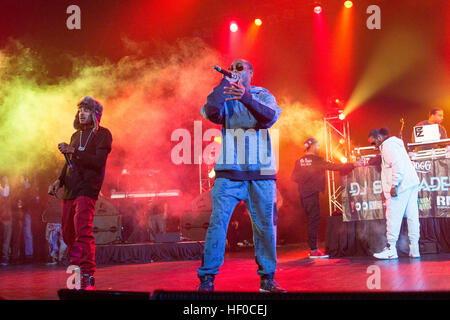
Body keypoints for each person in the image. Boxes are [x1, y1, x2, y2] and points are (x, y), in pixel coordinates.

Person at [197, 59, 284, 293]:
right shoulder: (224, 96)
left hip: (261, 172)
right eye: (231, 68)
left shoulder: (262, 94)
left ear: (251, 73)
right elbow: (212, 111)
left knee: (265, 226)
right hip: (229, 172)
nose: (234, 71)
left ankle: (267, 279)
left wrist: (245, 96)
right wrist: (223, 83)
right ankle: (207, 280)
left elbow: (268, 118)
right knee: (218, 224)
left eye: (239, 68)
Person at [48, 96, 112, 290]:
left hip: (87, 187)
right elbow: (68, 161)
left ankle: (87, 273)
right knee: (68, 233)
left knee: (82, 230)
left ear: (96, 114)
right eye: (80, 110)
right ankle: (75, 268)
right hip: (70, 187)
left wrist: (73, 151)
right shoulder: (75, 136)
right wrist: (59, 180)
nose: (81, 113)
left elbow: (97, 162)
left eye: (86, 110)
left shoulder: (103, 134)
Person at [291, 137, 356, 258]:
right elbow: (334, 166)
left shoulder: (299, 161)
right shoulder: (317, 160)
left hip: (303, 194)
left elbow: (294, 177)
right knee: (314, 220)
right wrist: (352, 165)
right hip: (311, 194)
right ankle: (313, 250)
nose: (319, 148)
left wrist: (305, 178)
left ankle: (312, 248)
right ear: (312, 146)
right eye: (318, 145)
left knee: (310, 220)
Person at [368, 128, 420, 259]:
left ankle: (391, 249)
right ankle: (415, 249)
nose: (373, 146)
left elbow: (397, 165)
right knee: (413, 218)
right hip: (410, 183)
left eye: (373, 143)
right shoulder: (396, 144)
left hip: (400, 186)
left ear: (379, 138)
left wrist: (394, 185)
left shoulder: (387, 146)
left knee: (392, 217)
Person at [42, 186, 67, 265]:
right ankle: (61, 258)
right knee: (63, 241)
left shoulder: (51, 197)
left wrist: (45, 216)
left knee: (52, 242)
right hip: (61, 222)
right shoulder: (65, 196)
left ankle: (54, 258)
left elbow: (47, 210)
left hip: (52, 222)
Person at [0, 176, 12, 266]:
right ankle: (4, 258)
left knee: (5, 238)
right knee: (5, 238)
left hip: (5, 216)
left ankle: (5, 258)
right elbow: (5, 194)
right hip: (4, 216)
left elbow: (5, 194)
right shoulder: (4, 188)